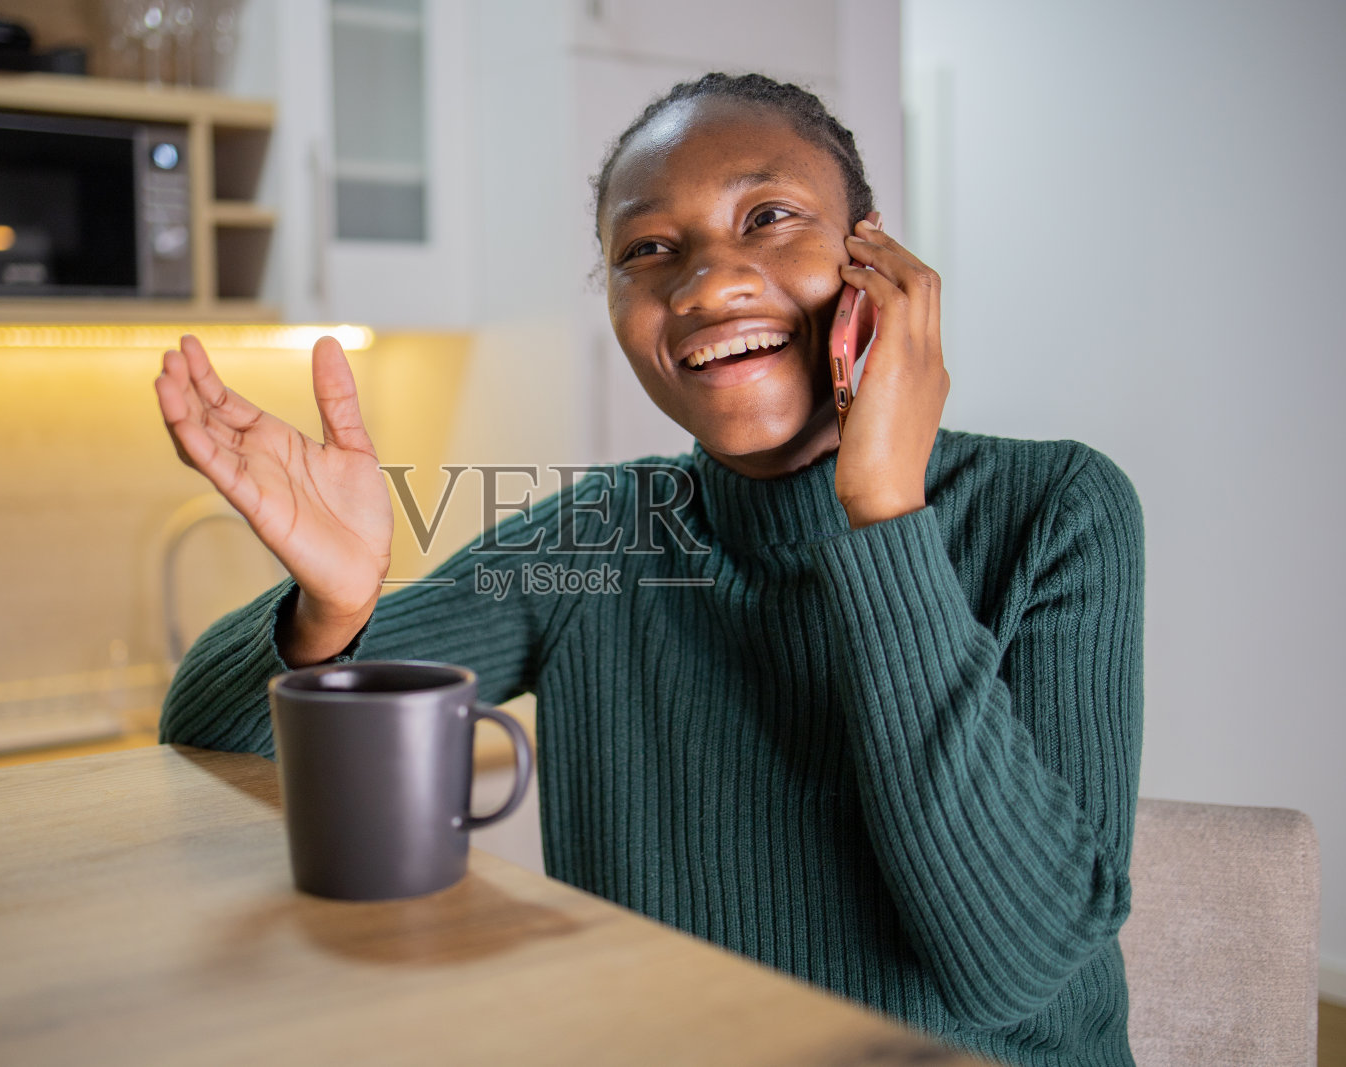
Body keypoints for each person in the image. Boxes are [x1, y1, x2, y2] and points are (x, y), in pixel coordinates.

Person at [154, 73, 1144, 1067]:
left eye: (767, 217)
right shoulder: (603, 536)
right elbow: (215, 736)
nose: (707, 284)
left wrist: (882, 506)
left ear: (872, 256)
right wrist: (335, 605)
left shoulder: (1053, 508)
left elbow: (1011, 970)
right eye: (648, 250)